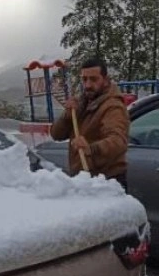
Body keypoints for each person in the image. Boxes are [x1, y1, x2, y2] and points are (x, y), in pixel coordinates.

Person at [50, 58, 130, 191]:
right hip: (85, 180)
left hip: (106, 182)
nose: (87, 85)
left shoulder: (113, 106)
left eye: (93, 79)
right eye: (84, 79)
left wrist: (91, 149)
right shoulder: (82, 103)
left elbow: (118, 141)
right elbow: (56, 135)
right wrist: (67, 116)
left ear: (105, 80)